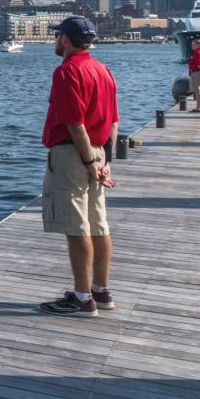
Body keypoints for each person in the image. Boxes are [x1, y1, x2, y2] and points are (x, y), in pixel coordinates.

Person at [39, 16, 119, 317]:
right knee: (99, 224)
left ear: (65, 39)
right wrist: (104, 161)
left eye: (57, 35)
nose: (55, 40)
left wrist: (88, 162)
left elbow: (75, 124)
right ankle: (101, 291)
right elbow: (113, 121)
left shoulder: (66, 71)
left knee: (77, 227)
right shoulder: (103, 71)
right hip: (97, 152)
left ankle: (82, 298)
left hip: (72, 156)